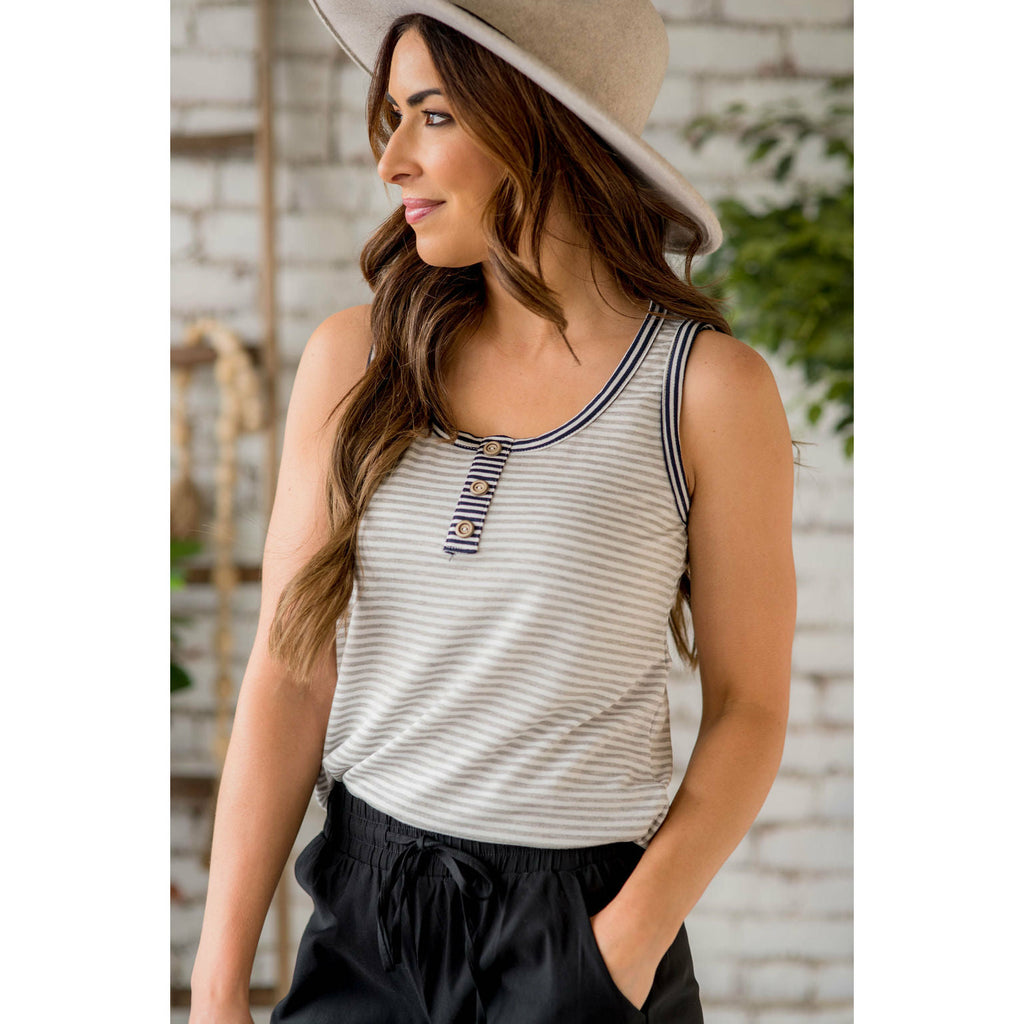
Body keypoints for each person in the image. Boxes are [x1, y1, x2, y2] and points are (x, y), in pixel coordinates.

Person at [187, 2, 796, 1022]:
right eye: (392, 117)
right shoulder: (354, 360)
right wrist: (217, 989)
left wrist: (619, 949)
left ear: (540, 125)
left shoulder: (704, 390)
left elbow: (750, 708)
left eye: (432, 116)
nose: (392, 162)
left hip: (580, 931)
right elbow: (290, 673)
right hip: (366, 924)